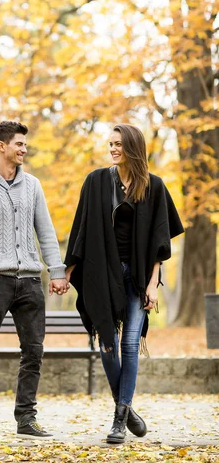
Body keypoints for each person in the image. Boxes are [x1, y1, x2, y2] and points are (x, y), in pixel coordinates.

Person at [64, 123, 184, 444]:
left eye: (118, 144)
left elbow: (160, 242)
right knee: (106, 342)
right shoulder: (96, 182)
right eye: (110, 144)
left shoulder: (154, 186)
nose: (113, 149)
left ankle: (118, 420)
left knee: (129, 344)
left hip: (139, 275)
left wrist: (152, 284)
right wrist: (67, 270)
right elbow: (80, 229)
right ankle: (127, 408)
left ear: (132, 147)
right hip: (102, 272)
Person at [0, 120, 69, 443]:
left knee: (34, 351)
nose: (24, 149)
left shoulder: (33, 185)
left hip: (30, 282)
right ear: (1, 146)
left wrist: (56, 271)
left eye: (25, 144)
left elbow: (45, 232)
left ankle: (26, 417)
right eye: (19, 143)